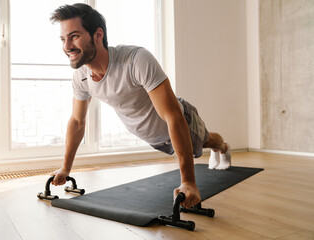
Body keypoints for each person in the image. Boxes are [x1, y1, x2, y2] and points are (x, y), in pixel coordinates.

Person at [50, 3, 231, 209]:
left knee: (207, 139)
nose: (67, 46)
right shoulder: (81, 77)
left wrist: (189, 182)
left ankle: (223, 148)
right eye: (63, 39)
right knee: (199, 142)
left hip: (182, 122)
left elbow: (173, 116)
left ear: (98, 35)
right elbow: (77, 121)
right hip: (156, 138)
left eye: (74, 36)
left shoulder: (135, 60)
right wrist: (65, 168)